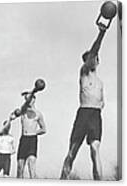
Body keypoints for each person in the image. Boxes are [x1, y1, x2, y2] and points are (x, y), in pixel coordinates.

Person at [60, 23, 107, 180]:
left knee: (95, 149)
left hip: (95, 115)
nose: (92, 59)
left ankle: (100, 182)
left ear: (97, 61)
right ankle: (62, 180)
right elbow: (95, 49)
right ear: (86, 61)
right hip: (84, 113)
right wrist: (101, 34)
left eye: (94, 58)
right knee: (73, 151)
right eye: (89, 58)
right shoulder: (84, 72)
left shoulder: (100, 82)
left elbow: (102, 102)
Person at [10, 93, 46, 179]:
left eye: (29, 98)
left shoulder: (38, 114)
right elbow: (13, 116)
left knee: (31, 166)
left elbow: (44, 129)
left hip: (32, 140)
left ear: (34, 99)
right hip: (23, 140)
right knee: (19, 168)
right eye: (26, 99)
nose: (28, 100)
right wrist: (13, 115)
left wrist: (34, 132)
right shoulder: (23, 111)